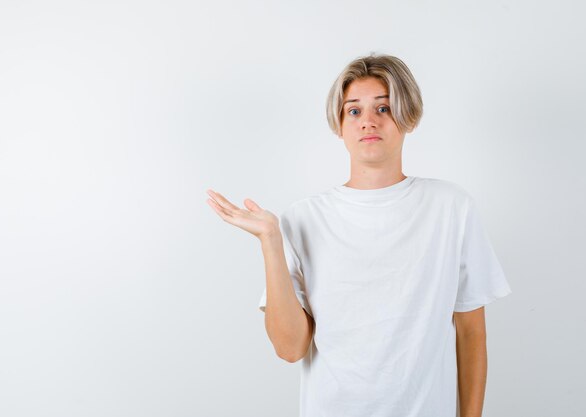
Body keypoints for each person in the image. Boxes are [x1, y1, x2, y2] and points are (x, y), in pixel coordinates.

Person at [205, 53, 512, 417]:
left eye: (383, 109)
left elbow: (471, 333)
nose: (368, 121)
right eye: (354, 111)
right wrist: (270, 241)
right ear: (339, 124)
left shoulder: (451, 208)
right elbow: (290, 348)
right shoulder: (304, 218)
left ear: (408, 116)